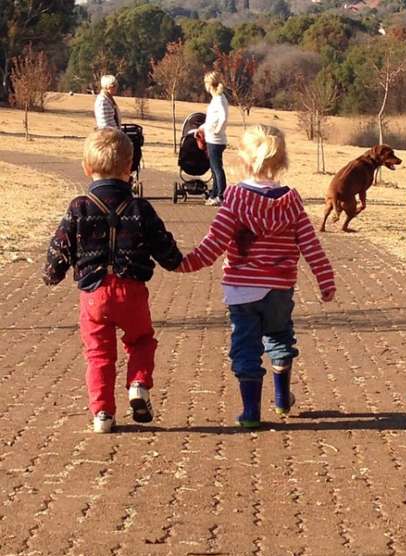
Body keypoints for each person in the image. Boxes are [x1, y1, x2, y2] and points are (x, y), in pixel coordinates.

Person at [177, 125, 336, 428]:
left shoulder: (235, 198)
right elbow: (310, 244)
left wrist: (186, 263)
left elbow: (214, 243)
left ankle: (251, 411)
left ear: (244, 160)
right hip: (279, 288)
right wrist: (325, 279)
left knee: (246, 347)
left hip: (242, 290)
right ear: (281, 161)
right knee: (279, 338)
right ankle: (280, 399)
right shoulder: (292, 200)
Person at [43, 128, 182, 433]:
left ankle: (103, 413)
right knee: (142, 340)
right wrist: (176, 261)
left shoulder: (79, 207)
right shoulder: (139, 208)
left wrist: (52, 273)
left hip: (93, 294)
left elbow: (61, 245)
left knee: (99, 355)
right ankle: (138, 384)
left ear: (85, 167)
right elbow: (163, 245)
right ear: (130, 167)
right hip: (131, 290)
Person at [200, 71, 229, 206]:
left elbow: (223, 118)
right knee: (214, 167)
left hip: (216, 140)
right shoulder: (215, 98)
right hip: (211, 138)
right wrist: (201, 128)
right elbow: (211, 119)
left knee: (217, 168)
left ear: (209, 84)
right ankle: (214, 193)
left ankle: (221, 195)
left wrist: (217, 131)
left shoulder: (219, 99)